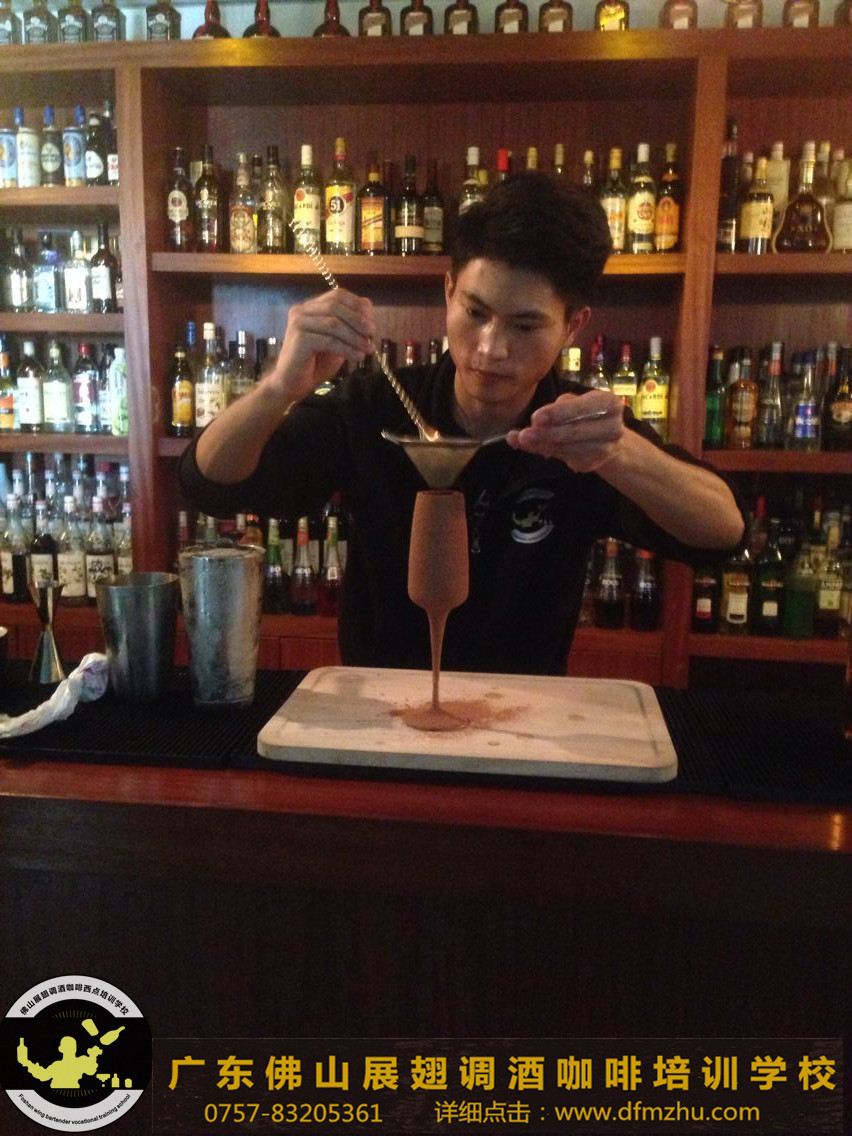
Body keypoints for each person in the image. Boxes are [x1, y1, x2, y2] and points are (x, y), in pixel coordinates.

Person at [179, 171, 744, 675]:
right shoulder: (374, 406)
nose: (491, 348)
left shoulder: (582, 431)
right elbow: (209, 481)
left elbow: (723, 533)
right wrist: (278, 389)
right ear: (448, 292)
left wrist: (620, 453)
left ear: (573, 325)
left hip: (525, 717)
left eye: (525, 326)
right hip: (382, 712)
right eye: (475, 312)